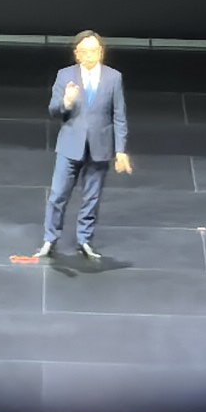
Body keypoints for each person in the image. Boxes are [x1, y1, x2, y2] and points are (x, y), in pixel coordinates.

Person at [38, 30, 131, 268]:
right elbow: (53, 110)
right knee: (58, 194)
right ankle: (50, 239)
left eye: (95, 50)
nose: (91, 55)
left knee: (92, 196)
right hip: (70, 145)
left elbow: (119, 116)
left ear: (101, 52)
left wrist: (120, 150)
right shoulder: (65, 75)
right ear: (77, 54)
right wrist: (67, 101)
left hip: (100, 146)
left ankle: (85, 239)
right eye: (85, 51)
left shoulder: (113, 77)